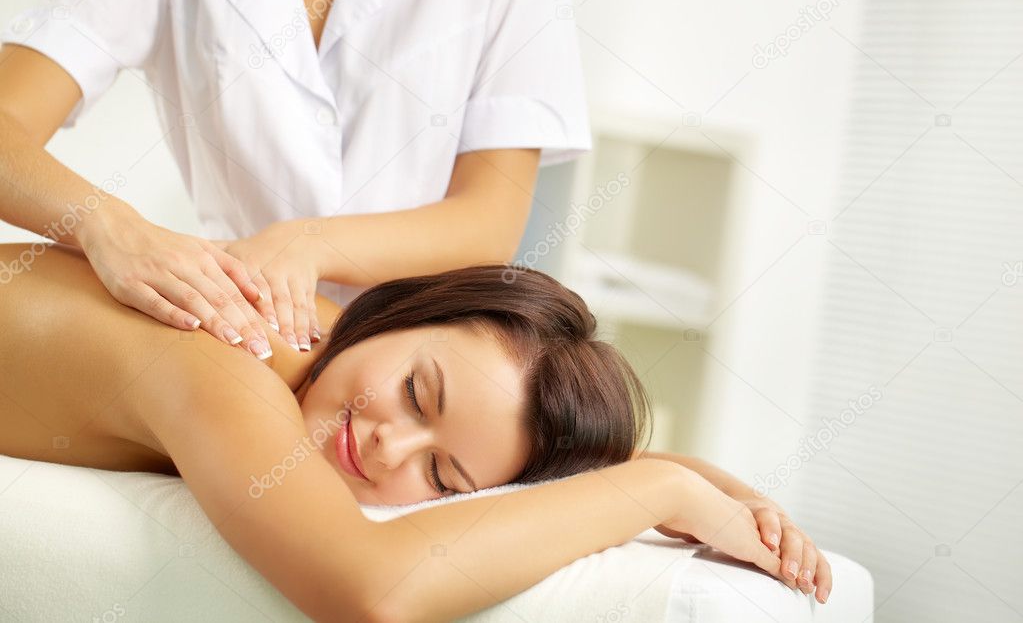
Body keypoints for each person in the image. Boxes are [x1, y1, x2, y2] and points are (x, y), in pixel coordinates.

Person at [0, 241, 831, 620]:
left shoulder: (319, 347)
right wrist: (657, 488)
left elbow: (501, 448)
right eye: (414, 392)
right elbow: (375, 593)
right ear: (396, 310)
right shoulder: (223, 364)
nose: (386, 444)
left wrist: (694, 478)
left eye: (441, 480)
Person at [0, 0, 591, 361]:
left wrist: (307, 244)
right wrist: (110, 227)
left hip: (422, 349)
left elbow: (488, 221)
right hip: (246, 322)